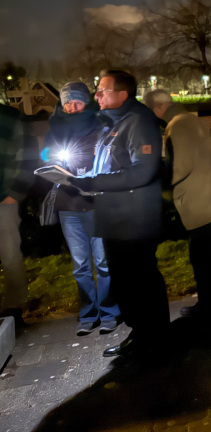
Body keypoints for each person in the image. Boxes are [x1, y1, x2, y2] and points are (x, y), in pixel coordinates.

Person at [69, 70, 168, 358]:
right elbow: (111, 165)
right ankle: (142, 334)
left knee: (141, 280)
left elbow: (143, 170)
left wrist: (93, 182)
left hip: (134, 220)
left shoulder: (138, 121)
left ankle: (156, 340)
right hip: (118, 219)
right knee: (127, 283)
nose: (96, 95)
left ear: (122, 94)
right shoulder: (116, 122)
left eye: (102, 90)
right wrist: (81, 177)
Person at [143, 89, 211, 319]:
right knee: (206, 253)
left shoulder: (177, 125)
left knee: (200, 255)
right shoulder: (191, 119)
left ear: (158, 107)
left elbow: (180, 166)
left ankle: (209, 305)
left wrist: (162, 184)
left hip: (198, 198)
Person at [43, 81, 120, 336]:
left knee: (104, 262)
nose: (72, 108)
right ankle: (88, 314)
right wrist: (52, 164)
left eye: (77, 102)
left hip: (97, 203)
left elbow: (110, 158)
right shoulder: (55, 129)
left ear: (86, 102)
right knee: (80, 265)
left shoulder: (101, 125)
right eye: (67, 103)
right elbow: (47, 155)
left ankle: (109, 312)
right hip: (69, 206)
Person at [0, 103, 32, 326]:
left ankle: (14, 309)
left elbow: (27, 158)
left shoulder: (10, 117)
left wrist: (14, 194)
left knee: (10, 255)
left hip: (4, 200)